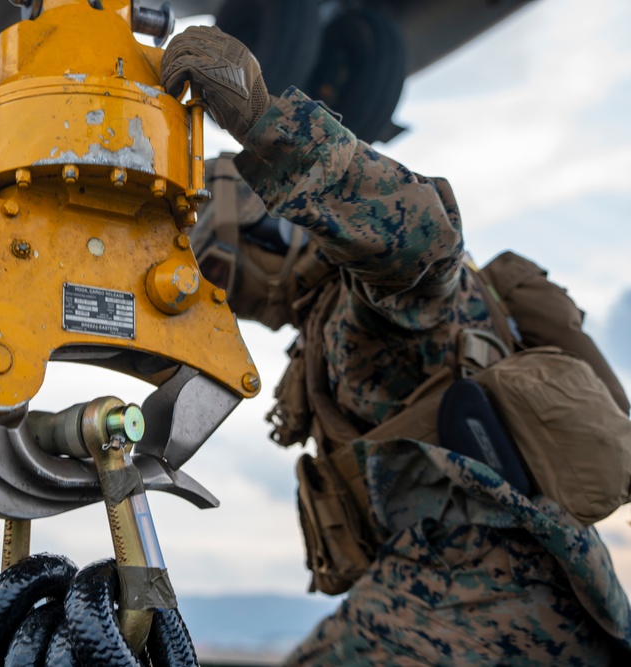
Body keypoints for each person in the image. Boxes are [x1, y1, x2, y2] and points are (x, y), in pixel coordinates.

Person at [161, 26, 631, 664]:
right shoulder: (328, 329)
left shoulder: (376, 302)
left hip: (490, 586)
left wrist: (261, 120)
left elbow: (425, 238)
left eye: (220, 263)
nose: (226, 289)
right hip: (464, 586)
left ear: (275, 230)